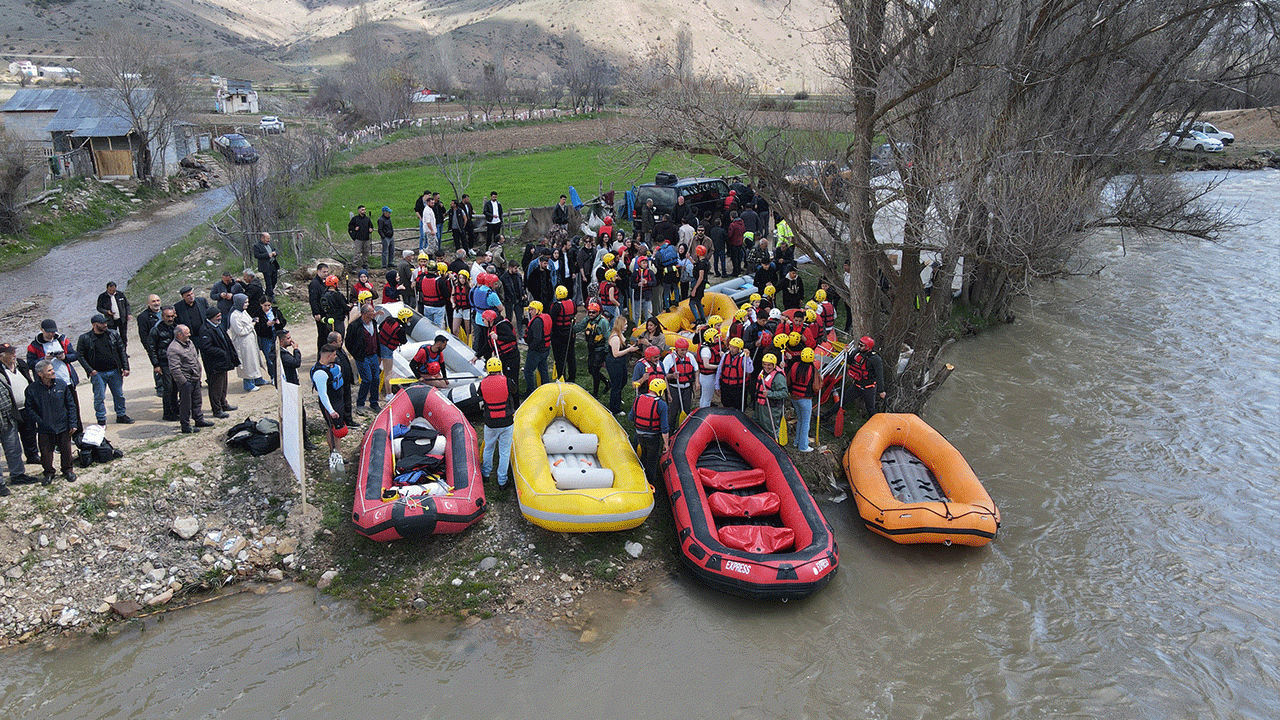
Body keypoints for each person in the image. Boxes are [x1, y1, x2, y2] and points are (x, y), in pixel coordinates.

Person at [24, 359, 78, 485]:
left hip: (63, 425)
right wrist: (41, 421)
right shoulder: (32, 389)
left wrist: (73, 423)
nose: (53, 371)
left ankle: (68, 470)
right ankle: (49, 473)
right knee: (46, 453)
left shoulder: (61, 384)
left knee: (66, 450)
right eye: (49, 370)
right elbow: (29, 409)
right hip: (45, 428)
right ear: (40, 374)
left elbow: (71, 405)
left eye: (52, 369)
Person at [77, 313, 131, 425]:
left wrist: (125, 367)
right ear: (94, 325)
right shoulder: (85, 338)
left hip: (114, 371)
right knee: (99, 397)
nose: (105, 325)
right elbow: (80, 355)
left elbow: (122, 351)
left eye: (105, 322)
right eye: (102, 323)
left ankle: (121, 415)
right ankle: (101, 419)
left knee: (119, 395)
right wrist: (90, 370)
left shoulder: (113, 334)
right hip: (98, 374)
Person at [0, 343, 36, 493]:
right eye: (10, 353)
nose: (14, 354)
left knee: (13, 447)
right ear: (1, 356)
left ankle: (18, 475)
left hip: (11, 414)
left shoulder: (20, 364)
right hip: (4, 415)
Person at [477, 356, 517, 490]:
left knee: (488, 448)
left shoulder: (483, 383)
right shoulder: (507, 381)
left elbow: (480, 393)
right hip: (506, 422)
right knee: (504, 451)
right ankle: (502, 481)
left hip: (491, 423)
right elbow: (514, 390)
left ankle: (485, 474)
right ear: (500, 368)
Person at [167, 324, 213, 434]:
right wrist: (184, 382)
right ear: (179, 335)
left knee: (197, 400)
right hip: (186, 380)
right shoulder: (174, 349)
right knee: (185, 404)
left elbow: (194, 358)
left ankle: (199, 419)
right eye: (187, 333)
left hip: (195, 378)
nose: (190, 335)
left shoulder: (189, 343)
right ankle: (185, 425)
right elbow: (174, 369)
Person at [196, 308, 239, 418]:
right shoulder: (205, 330)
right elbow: (206, 347)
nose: (220, 318)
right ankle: (217, 409)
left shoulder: (217, 326)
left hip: (223, 363)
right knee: (216, 388)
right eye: (217, 316)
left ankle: (223, 404)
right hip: (214, 364)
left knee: (223, 385)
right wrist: (221, 352)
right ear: (211, 317)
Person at [630, 377, 669, 491]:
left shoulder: (637, 399)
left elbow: (631, 417)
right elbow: (664, 428)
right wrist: (666, 444)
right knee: (651, 462)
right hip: (652, 437)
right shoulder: (661, 405)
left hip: (639, 436)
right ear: (660, 391)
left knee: (642, 458)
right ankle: (650, 485)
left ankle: (638, 479)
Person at [346, 303, 382, 413]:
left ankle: (374, 402)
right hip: (363, 357)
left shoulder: (374, 323)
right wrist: (356, 354)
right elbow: (348, 342)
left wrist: (379, 354)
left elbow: (376, 339)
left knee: (376, 379)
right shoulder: (355, 326)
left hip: (373, 355)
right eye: (372, 312)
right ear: (365, 313)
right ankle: (360, 404)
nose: (374, 313)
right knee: (367, 379)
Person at [312, 344, 348, 451]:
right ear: (328, 356)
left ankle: (338, 452)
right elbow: (323, 394)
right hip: (331, 404)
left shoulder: (333, 366)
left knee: (339, 428)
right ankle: (334, 452)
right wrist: (331, 411)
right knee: (334, 429)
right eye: (334, 355)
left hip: (338, 401)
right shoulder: (320, 374)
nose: (336, 357)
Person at [146, 306, 179, 421]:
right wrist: (156, 365)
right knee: (168, 387)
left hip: (175, 362)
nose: (170, 319)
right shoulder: (156, 330)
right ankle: (167, 413)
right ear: (162, 316)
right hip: (163, 362)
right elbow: (151, 349)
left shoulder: (175, 327)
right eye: (168, 316)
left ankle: (175, 408)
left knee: (175, 386)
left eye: (172, 316)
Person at [576, 303, 611, 398]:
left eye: (593, 312)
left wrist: (606, 351)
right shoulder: (588, 319)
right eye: (589, 312)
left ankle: (595, 394)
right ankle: (607, 382)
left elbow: (608, 337)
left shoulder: (603, 322)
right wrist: (569, 328)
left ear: (598, 312)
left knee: (595, 370)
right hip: (591, 348)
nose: (591, 314)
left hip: (600, 349)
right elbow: (579, 327)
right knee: (590, 370)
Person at [847, 335, 885, 418]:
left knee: (871, 409)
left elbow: (879, 375)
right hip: (857, 385)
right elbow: (849, 361)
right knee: (842, 401)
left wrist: (881, 391)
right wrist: (846, 353)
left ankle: (874, 423)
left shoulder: (875, 359)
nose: (859, 347)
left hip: (869, 388)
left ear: (868, 347)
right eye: (859, 344)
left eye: (861, 345)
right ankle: (825, 417)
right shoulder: (857, 352)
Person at [487, 310, 521, 400]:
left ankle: (516, 402)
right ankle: (508, 399)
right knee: (505, 379)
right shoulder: (491, 327)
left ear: (489, 320)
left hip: (511, 357)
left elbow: (512, 337)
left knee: (512, 380)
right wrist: (477, 355)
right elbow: (488, 344)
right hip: (503, 357)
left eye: (484, 320)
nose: (483, 322)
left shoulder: (502, 326)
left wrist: (498, 337)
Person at [788, 347, 818, 452]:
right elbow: (816, 387)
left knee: (800, 420)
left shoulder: (795, 365)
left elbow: (788, 380)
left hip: (794, 398)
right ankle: (803, 446)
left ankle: (797, 442)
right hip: (805, 399)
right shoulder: (812, 370)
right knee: (805, 422)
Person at [252, 297, 285, 385]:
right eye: (265, 305)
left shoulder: (275, 312)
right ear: (261, 304)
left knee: (280, 356)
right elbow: (257, 329)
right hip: (266, 338)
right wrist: (266, 325)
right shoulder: (258, 314)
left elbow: (283, 322)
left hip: (276, 336)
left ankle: (281, 374)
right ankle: (273, 376)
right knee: (270, 358)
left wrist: (279, 323)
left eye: (269, 305)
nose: (267, 308)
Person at [136, 294, 163, 398]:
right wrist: (149, 349)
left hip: (168, 344)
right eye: (153, 301)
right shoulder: (143, 317)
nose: (156, 303)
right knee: (157, 366)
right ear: (148, 303)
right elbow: (143, 336)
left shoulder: (165, 312)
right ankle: (160, 388)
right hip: (155, 346)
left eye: (158, 300)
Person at [328, 331, 357, 429]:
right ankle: (340, 422)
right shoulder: (329, 353)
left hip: (346, 381)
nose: (342, 342)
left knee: (347, 400)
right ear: (333, 343)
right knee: (339, 403)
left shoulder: (340, 350)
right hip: (338, 383)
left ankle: (348, 420)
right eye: (340, 341)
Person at [755, 353, 788, 435]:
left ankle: (774, 441)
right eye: (765, 364)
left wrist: (770, 394)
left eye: (769, 365)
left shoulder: (778, 377)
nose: (766, 367)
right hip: (761, 405)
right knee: (757, 424)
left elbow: (784, 393)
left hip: (772, 407)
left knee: (770, 429)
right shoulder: (763, 373)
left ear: (774, 365)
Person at [523, 301, 552, 394]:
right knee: (543, 369)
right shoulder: (544, 318)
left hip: (537, 351)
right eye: (529, 310)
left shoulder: (537, 322)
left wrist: (531, 347)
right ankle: (546, 389)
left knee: (528, 371)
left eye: (532, 310)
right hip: (545, 349)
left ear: (538, 310)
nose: (530, 312)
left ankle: (530, 391)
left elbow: (537, 338)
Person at [549, 285, 576, 381]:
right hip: (570, 333)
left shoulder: (557, 306)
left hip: (559, 335)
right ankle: (572, 377)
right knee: (571, 357)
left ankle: (561, 376)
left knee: (560, 358)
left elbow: (552, 320)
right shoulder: (573, 303)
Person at [96, 281, 132, 351]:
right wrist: (107, 312)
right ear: (107, 289)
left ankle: (124, 351)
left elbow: (127, 305)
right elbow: (99, 308)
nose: (112, 292)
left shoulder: (120, 294)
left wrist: (128, 314)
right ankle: (115, 351)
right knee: (112, 337)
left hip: (122, 319)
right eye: (110, 290)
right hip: (110, 321)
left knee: (123, 336)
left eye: (113, 290)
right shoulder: (102, 297)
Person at [718, 336, 751, 412]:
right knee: (726, 405)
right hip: (726, 386)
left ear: (739, 349)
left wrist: (748, 358)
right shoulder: (725, 355)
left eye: (734, 348)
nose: (731, 349)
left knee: (738, 406)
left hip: (738, 387)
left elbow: (749, 370)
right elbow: (719, 370)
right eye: (731, 347)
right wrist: (717, 385)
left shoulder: (744, 357)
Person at [308, 262, 332, 347]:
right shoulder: (314, 284)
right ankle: (321, 352)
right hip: (320, 313)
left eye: (327, 272)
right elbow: (313, 300)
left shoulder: (325, 282)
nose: (326, 274)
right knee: (322, 334)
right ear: (318, 271)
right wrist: (316, 312)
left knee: (328, 332)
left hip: (326, 311)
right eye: (324, 272)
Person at [698, 328, 722, 408]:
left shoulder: (707, 347)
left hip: (706, 376)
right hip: (707, 377)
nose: (716, 339)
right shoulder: (706, 350)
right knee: (707, 398)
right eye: (715, 337)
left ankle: (702, 409)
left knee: (705, 397)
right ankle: (704, 411)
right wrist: (718, 367)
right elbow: (706, 365)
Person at [418, 262, 448, 326]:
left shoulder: (422, 279)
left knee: (429, 326)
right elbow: (446, 294)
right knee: (438, 326)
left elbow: (420, 288)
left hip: (427, 306)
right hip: (438, 306)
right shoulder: (439, 281)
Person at [253, 232, 281, 300]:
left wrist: (275, 253)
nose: (269, 240)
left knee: (274, 280)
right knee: (268, 282)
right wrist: (267, 255)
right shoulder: (257, 246)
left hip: (273, 264)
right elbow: (256, 255)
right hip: (265, 266)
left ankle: (267, 293)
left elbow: (275, 250)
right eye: (267, 238)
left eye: (269, 238)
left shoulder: (269, 244)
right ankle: (271, 297)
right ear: (262, 238)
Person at [689, 244, 710, 323]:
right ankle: (703, 318)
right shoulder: (704, 261)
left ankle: (698, 319)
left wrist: (694, 289)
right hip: (701, 284)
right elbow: (696, 265)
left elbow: (700, 277)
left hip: (699, 284)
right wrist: (689, 258)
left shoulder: (702, 264)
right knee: (698, 302)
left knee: (692, 303)